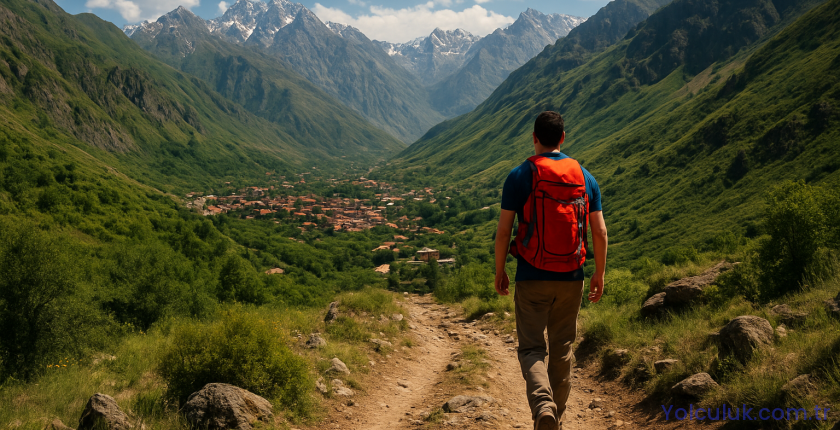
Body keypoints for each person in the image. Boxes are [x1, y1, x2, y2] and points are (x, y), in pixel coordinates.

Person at [494, 111, 608, 430]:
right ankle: (555, 417)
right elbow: (599, 232)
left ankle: (542, 407)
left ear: (534, 138)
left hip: (531, 277)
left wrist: (500, 269)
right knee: (562, 350)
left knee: (532, 348)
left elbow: (504, 232)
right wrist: (598, 272)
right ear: (563, 138)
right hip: (572, 277)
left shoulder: (520, 175)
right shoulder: (585, 177)